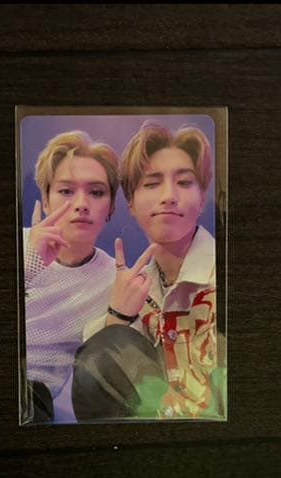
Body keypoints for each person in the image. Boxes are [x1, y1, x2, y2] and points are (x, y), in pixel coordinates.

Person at [73, 121, 224, 421]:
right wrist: (118, 316)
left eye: (184, 182)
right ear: (130, 203)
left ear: (202, 198)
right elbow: (98, 382)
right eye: (152, 184)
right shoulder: (135, 290)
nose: (169, 196)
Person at [22, 130, 123, 424]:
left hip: (33, 399)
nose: (81, 203)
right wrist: (29, 265)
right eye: (66, 191)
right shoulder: (17, 245)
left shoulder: (115, 280)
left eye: (96, 192)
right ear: (46, 200)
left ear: (111, 207)